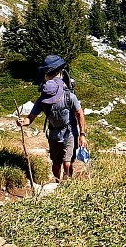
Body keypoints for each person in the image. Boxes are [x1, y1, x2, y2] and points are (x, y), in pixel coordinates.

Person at [16, 54, 87, 182]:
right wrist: (23, 122)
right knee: (55, 163)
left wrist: (82, 134)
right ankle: (57, 182)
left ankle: (67, 184)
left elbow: (80, 114)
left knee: (67, 162)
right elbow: (31, 117)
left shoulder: (69, 96)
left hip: (69, 131)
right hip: (54, 133)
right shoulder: (42, 100)